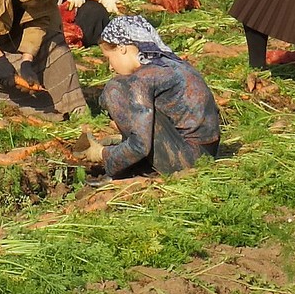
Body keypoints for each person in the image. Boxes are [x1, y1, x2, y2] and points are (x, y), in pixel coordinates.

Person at [82, 14, 221, 177]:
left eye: (109, 58)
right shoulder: (168, 64)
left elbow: (140, 145)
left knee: (115, 89)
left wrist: (102, 154)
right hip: (206, 152)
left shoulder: (144, 79)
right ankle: (128, 152)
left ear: (122, 48)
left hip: (186, 160)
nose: (111, 67)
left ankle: (129, 167)